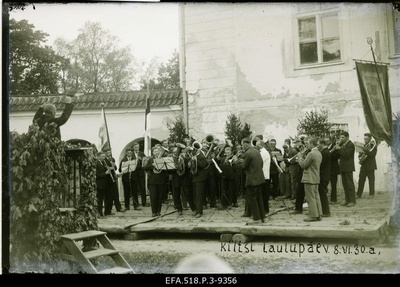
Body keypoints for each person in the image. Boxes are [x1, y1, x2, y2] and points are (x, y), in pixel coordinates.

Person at [240, 137, 265, 224]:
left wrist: (238, 161)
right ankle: (262, 217)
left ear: (245, 144)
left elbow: (243, 166)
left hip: (252, 180)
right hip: (259, 178)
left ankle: (256, 218)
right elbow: (261, 164)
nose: (242, 147)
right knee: (259, 198)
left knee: (252, 199)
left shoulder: (248, 153)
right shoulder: (257, 151)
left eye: (242, 146)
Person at [298, 137, 323, 222]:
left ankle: (313, 215)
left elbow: (303, 165)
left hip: (309, 178)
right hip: (316, 177)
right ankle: (319, 214)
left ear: (312, 144)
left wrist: (300, 157)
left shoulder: (311, 154)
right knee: (316, 197)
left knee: (310, 198)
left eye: (308, 144)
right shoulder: (319, 153)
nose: (308, 145)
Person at [334, 131, 356, 207]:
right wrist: (336, 149)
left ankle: (352, 201)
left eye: (343, 137)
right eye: (341, 137)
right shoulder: (343, 144)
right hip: (343, 167)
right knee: (345, 185)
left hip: (348, 167)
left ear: (347, 137)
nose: (341, 139)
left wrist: (339, 148)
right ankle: (347, 200)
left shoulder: (351, 144)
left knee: (350, 184)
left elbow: (347, 155)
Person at [144, 146, 167, 217]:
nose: (156, 152)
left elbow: (166, 169)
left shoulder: (162, 159)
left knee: (160, 197)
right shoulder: (150, 160)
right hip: (153, 181)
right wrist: (152, 165)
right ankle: (154, 212)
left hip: (160, 180)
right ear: (153, 153)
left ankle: (158, 211)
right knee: (153, 197)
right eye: (155, 151)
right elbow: (145, 168)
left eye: (157, 151)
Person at [190, 139, 208, 218]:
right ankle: (197, 210)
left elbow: (203, 165)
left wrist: (196, 160)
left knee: (199, 195)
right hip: (194, 178)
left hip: (200, 178)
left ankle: (199, 212)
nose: (195, 150)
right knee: (195, 195)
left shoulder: (201, 156)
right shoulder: (193, 156)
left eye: (196, 149)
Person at [356, 133, 377, 199]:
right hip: (364, 165)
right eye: (364, 138)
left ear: (370, 138)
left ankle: (371, 194)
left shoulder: (373, 145)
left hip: (371, 165)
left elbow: (372, 154)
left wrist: (364, 150)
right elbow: (360, 155)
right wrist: (360, 155)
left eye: (367, 139)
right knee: (361, 180)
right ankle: (359, 194)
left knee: (371, 181)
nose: (365, 140)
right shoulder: (364, 145)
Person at [104, 148, 124, 213]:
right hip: (107, 179)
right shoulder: (104, 160)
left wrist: (114, 166)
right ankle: (108, 210)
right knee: (109, 195)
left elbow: (115, 168)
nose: (109, 153)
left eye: (109, 152)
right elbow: (104, 169)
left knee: (115, 194)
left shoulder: (112, 159)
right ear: (105, 153)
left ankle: (118, 207)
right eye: (108, 152)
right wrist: (110, 168)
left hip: (113, 179)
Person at [256, 140, 271, 214]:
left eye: (256, 145)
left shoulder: (263, 152)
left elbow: (259, 161)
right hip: (264, 175)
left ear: (259, 145)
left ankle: (265, 209)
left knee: (264, 194)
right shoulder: (262, 152)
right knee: (263, 193)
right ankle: (264, 209)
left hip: (264, 175)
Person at [95, 151, 112, 217]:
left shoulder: (101, 163)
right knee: (100, 200)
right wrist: (105, 173)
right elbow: (97, 175)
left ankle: (101, 213)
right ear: (98, 156)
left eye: (104, 156)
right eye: (102, 156)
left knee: (102, 199)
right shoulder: (97, 164)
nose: (104, 158)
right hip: (100, 184)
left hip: (103, 184)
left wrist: (108, 168)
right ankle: (99, 213)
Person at [317, 138, 331, 217]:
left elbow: (321, 164)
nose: (318, 146)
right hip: (324, 175)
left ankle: (326, 212)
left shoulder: (325, 153)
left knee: (323, 194)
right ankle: (323, 211)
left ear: (322, 144)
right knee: (322, 193)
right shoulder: (324, 152)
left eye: (318, 144)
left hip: (323, 176)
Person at [132, 142, 147, 208]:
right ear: (133, 148)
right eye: (135, 147)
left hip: (141, 172)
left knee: (142, 187)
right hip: (134, 173)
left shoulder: (141, 153)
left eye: (137, 147)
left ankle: (144, 202)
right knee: (135, 188)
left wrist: (142, 160)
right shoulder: (131, 154)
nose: (136, 149)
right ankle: (136, 203)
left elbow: (146, 161)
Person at [327, 136, 340, 204]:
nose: (327, 142)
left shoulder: (335, 147)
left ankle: (333, 199)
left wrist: (329, 154)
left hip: (333, 168)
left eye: (328, 140)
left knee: (333, 184)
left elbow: (336, 157)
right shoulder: (327, 147)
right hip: (328, 168)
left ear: (332, 140)